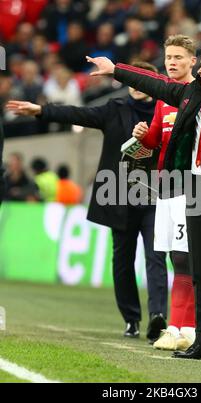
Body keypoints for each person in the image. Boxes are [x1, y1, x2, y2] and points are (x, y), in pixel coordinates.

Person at [85, 44, 201, 363]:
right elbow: (156, 85)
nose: (200, 70)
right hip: (194, 189)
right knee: (200, 271)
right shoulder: (192, 94)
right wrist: (115, 69)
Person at [6, 61, 168, 343]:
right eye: (133, 80)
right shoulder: (115, 109)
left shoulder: (167, 112)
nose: (136, 86)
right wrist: (43, 110)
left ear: (152, 83)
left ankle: (158, 316)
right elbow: (79, 114)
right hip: (120, 196)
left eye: (142, 80)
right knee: (123, 261)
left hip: (155, 195)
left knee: (156, 257)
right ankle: (131, 319)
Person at [132, 35, 197, 351]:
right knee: (174, 257)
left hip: (191, 187)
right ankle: (176, 327)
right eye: (169, 57)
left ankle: (189, 329)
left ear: (192, 62)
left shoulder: (198, 96)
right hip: (166, 188)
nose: (172, 62)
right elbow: (154, 143)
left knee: (188, 258)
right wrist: (143, 136)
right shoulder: (161, 102)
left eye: (178, 57)